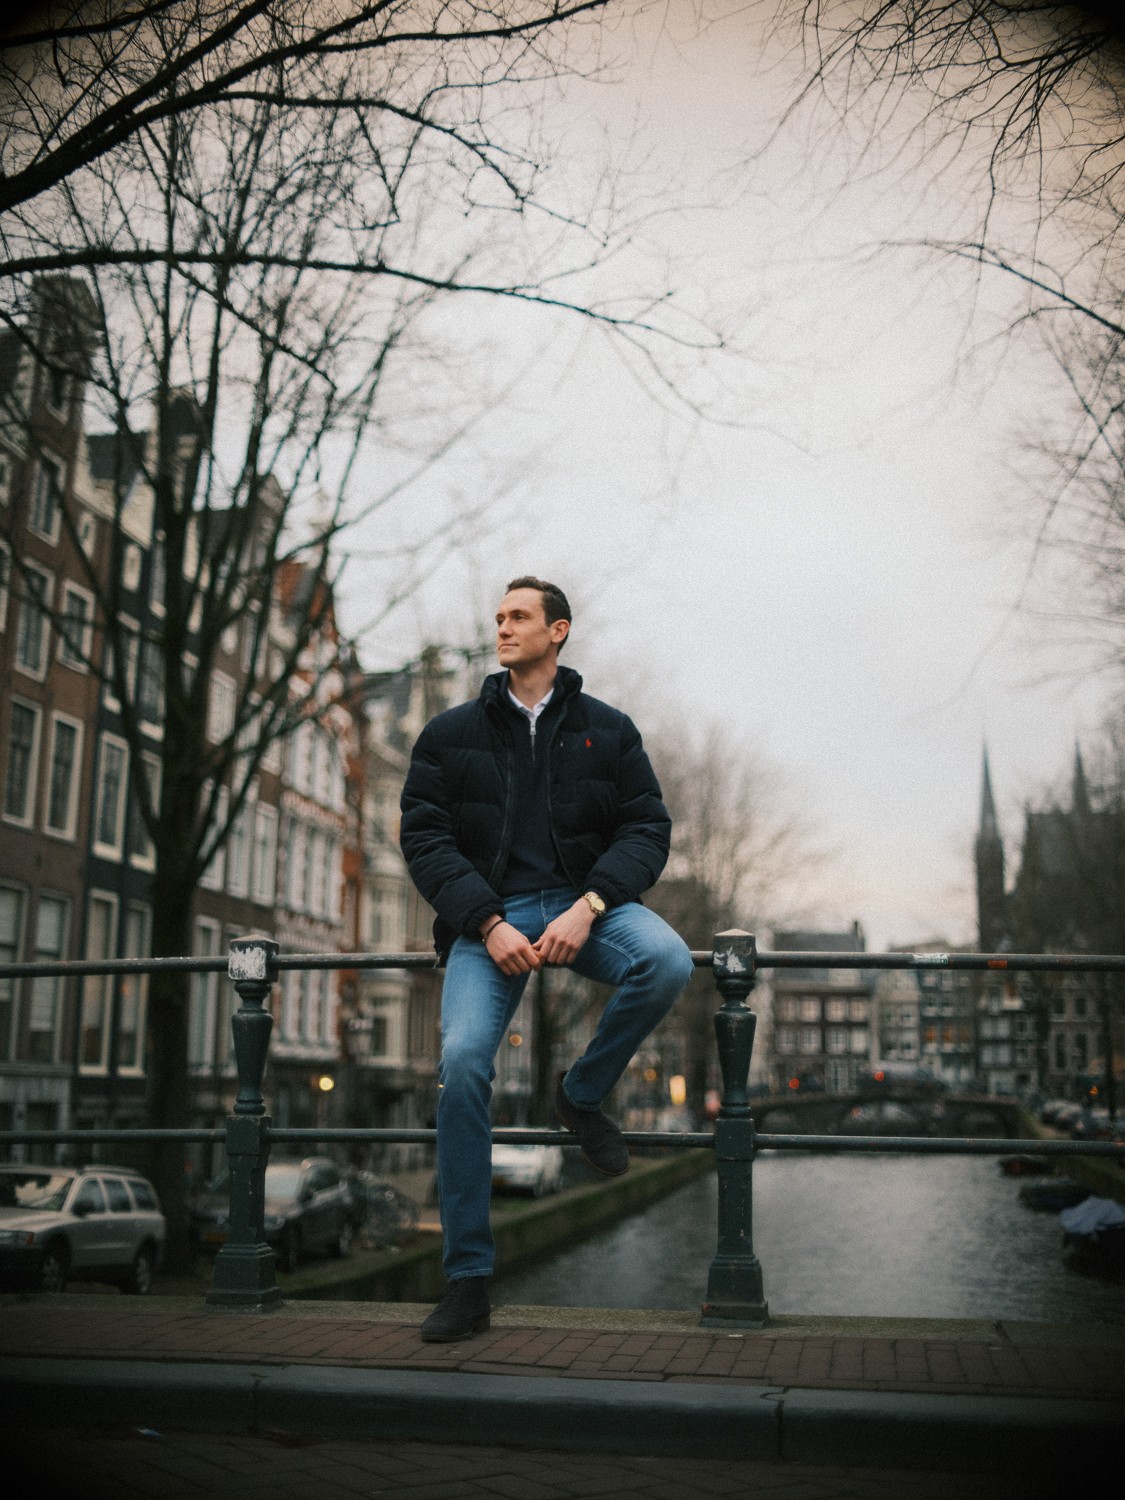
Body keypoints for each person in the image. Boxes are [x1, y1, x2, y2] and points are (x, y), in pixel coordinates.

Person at [400, 575, 694, 1342]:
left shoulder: (609, 730)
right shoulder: (449, 733)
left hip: (583, 905)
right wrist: (485, 921)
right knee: (462, 1064)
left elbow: (645, 831)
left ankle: (581, 1092)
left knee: (665, 960)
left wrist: (589, 905)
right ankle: (466, 1280)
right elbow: (424, 840)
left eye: (518, 617)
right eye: (496, 617)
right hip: (485, 921)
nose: (501, 627)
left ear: (557, 631)